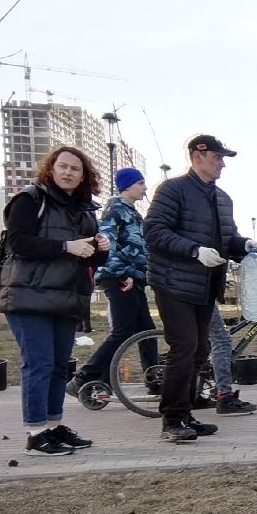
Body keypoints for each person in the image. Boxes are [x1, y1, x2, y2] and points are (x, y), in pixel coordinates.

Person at [143, 135, 257, 443]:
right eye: (218, 157)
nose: (222, 164)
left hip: (205, 285)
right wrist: (194, 250)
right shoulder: (172, 189)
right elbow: (154, 231)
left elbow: (228, 238)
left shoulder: (222, 199)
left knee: (199, 350)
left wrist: (244, 245)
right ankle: (172, 420)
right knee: (184, 347)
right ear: (198, 156)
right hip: (173, 281)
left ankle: (185, 413)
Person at [0, 146, 109, 456]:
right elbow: (18, 242)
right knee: (39, 364)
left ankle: (53, 426)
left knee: (60, 366)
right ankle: (35, 433)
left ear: (84, 176)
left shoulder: (85, 210)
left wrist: (101, 249)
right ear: (51, 168)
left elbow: (89, 259)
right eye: (63, 166)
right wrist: (65, 246)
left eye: (76, 168)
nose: (68, 172)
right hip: (27, 295)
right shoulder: (31, 199)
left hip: (66, 298)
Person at [69, 168, 156, 400]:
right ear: (127, 186)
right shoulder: (115, 211)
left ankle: (154, 379)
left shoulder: (131, 213)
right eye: (140, 183)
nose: (145, 188)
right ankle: (83, 379)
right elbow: (107, 247)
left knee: (146, 332)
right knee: (122, 332)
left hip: (132, 278)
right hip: (119, 278)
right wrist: (121, 274)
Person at [203, 306, 257, 414]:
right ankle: (225, 395)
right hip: (199, 298)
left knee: (195, 338)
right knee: (221, 340)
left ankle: (195, 394)